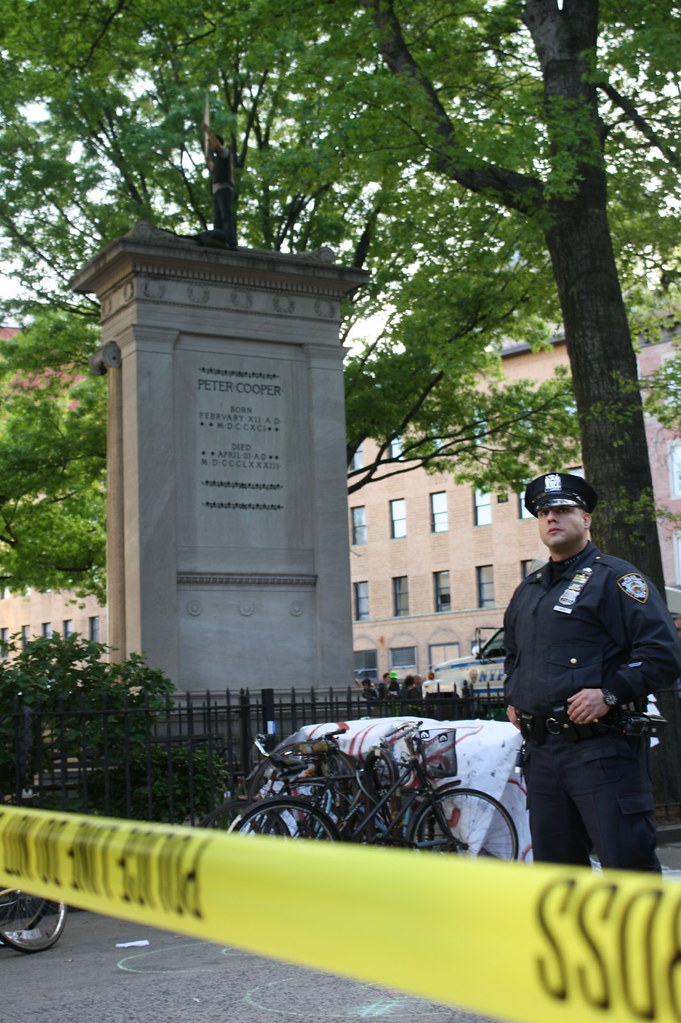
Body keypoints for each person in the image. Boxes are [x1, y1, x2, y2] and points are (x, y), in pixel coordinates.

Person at [504, 471, 681, 872]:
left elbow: (662, 652)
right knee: (558, 875)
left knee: (627, 867)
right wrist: (513, 697)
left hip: (602, 752)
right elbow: (513, 654)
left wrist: (610, 693)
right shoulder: (529, 589)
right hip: (544, 754)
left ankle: (647, 939)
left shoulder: (617, 579)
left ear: (586, 519)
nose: (552, 518)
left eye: (564, 509)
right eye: (544, 511)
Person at [201, 122, 237, 248]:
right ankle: (219, 239)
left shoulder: (225, 153)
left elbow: (217, 144)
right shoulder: (218, 160)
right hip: (217, 192)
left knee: (225, 216)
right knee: (217, 218)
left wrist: (207, 131)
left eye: (211, 144)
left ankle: (230, 240)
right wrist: (208, 160)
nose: (211, 145)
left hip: (224, 190)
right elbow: (213, 168)